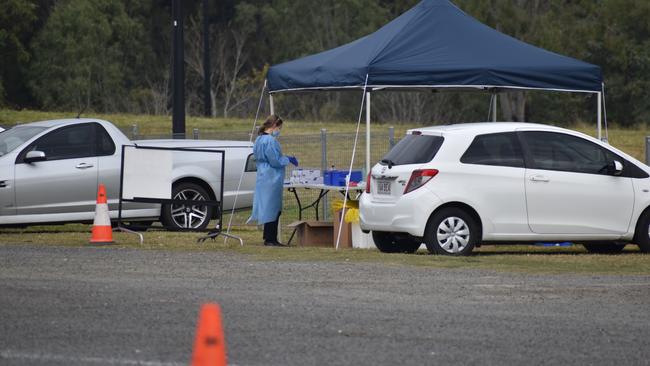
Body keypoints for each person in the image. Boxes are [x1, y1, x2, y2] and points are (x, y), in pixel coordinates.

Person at [248, 115, 298, 246]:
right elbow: (275, 161)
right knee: (274, 209)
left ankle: (267, 236)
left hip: (263, 176)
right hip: (271, 177)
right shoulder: (270, 141)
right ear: (275, 126)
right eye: (279, 128)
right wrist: (287, 159)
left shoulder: (258, 139)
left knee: (267, 207)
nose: (279, 131)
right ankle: (271, 239)